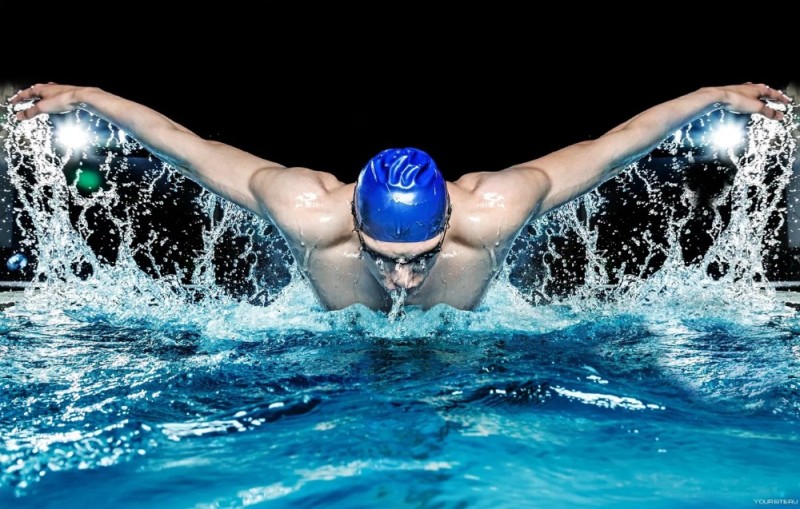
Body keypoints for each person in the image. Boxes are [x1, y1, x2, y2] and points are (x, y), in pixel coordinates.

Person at [10, 83, 792, 311]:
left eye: (419, 261)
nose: (404, 281)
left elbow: (612, 142)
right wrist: (88, 98)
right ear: (353, 218)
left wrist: (709, 98)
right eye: (386, 261)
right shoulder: (305, 208)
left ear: (450, 220)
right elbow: (187, 145)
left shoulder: (495, 208)